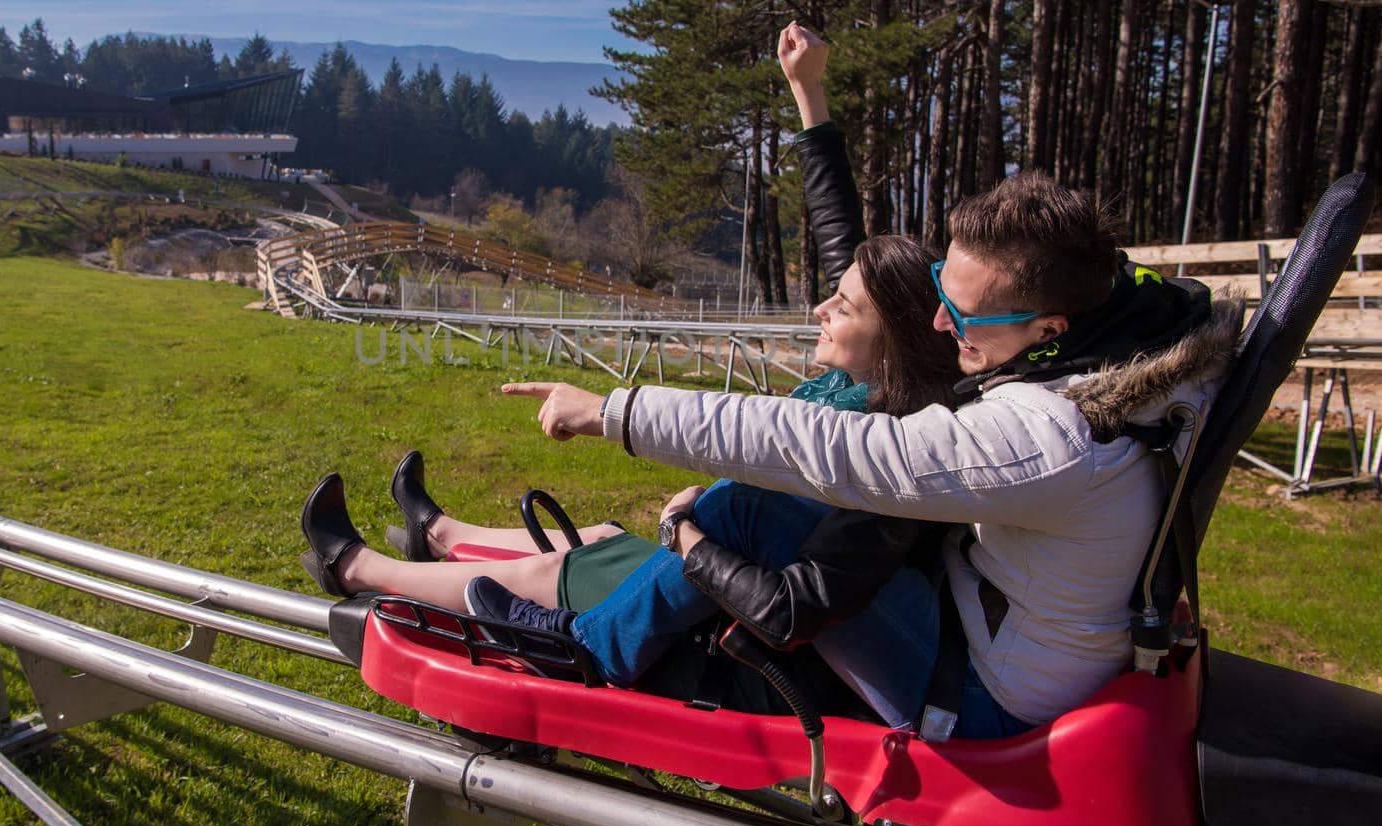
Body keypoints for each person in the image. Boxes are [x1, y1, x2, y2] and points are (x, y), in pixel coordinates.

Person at [499, 162, 1245, 735]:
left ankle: (590, 651)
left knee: (750, 503)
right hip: (1003, 625)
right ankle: (602, 628)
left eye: (962, 313)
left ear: (1048, 329)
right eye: (937, 291)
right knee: (760, 505)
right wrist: (811, 107)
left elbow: (818, 445)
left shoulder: (1045, 440)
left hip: (980, 692)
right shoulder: (1127, 320)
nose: (940, 325)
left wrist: (614, 410)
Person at [301, 226, 961, 717]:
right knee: (603, 536)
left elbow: (791, 585)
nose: (821, 308)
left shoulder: (879, 449)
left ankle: (359, 567)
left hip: (757, 625)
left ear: (894, 337)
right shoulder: (859, 398)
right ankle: (440, 531)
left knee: (558, 569)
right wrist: (810, 101)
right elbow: (854, 247)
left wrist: (684, 531)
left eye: (842, 306)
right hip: (741, 593)